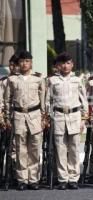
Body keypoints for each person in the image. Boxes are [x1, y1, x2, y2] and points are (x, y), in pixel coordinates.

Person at [46, 52, 88, 190]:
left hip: (74, 117)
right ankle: (63, 178)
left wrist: (83, 119)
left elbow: (84, 101)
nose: (65, 66)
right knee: (61, 149)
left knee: (74, 148)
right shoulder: (52, 80)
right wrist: (48, 116)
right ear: (58, 65)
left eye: (68, 63)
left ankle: (73, 178)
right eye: (63, 63)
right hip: (58, 117)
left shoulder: (77, 80)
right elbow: (48, 101)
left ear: (72, 64)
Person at [4, 51, 46, 190]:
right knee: (21, 149)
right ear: (18, 63)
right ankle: (22, 179)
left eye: (27, 61)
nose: (24, 64)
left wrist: (44, 118)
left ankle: (33, 179)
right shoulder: (12, 80)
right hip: (18, 116)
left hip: (34, 116)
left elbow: (44, 101)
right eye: (21, 61)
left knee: (34, 148)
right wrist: (8, 118)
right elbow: (8, 100)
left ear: (31, 62)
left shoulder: (38, 79)